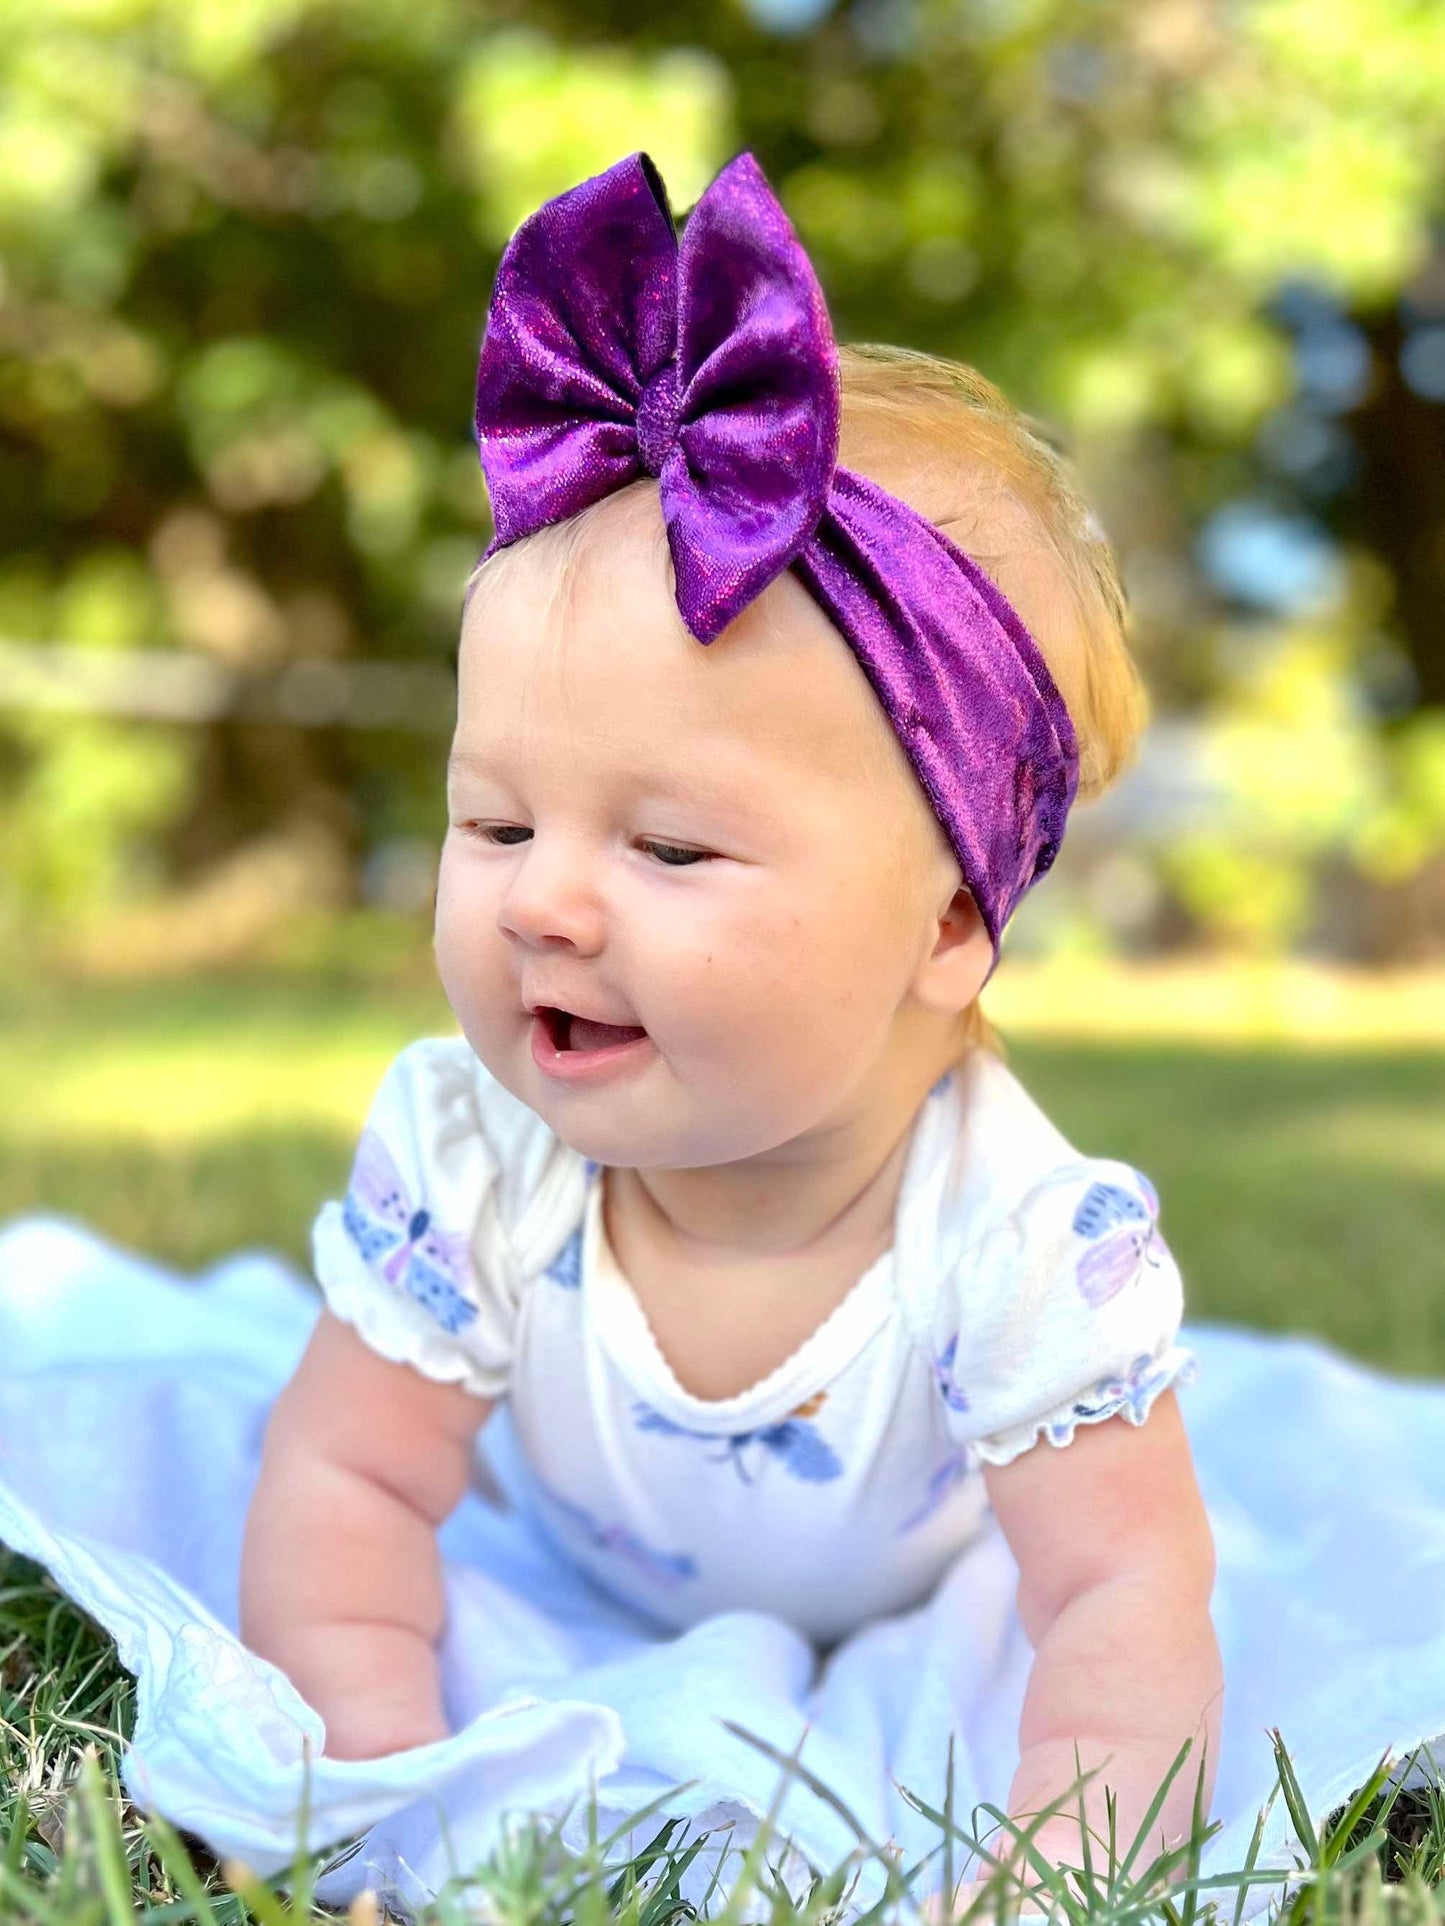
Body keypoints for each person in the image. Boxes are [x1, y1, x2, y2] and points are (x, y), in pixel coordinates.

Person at [239, 149, 1222, 1906]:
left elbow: (1114, 1595)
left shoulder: (1016, 1238)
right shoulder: (473, 1154)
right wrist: (376, 1779)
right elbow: (348, 1480)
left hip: (932, 1605)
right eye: (495, 823)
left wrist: (1059, 1867)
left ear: (942, 923)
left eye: (670, 844)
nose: (545, 902)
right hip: (565, 1577)